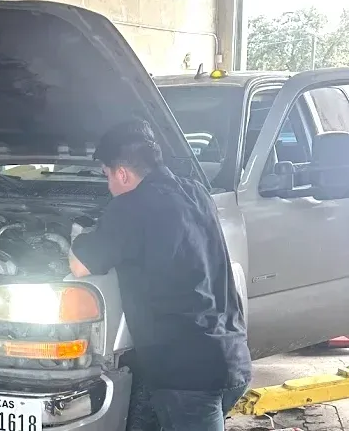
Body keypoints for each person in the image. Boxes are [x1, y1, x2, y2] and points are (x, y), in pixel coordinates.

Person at [68, 120, 252, 431]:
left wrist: (74, 236)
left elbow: (79, 266)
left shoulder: (131, 207)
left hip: (186, 375)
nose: (109, 186)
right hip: (231, 358)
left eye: (107, 176)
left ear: (122, 173)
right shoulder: (196, 192)